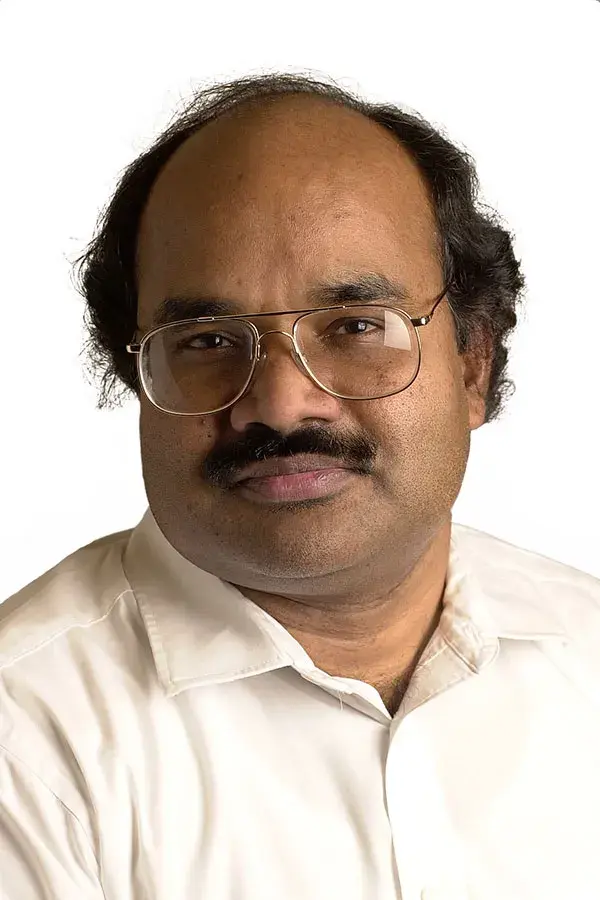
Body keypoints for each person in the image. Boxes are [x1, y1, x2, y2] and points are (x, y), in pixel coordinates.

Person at [1, 72, 599, 900]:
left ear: (473, 365)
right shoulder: (25, 735)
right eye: (207, 340)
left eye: (356, 326)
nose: (280, 404)